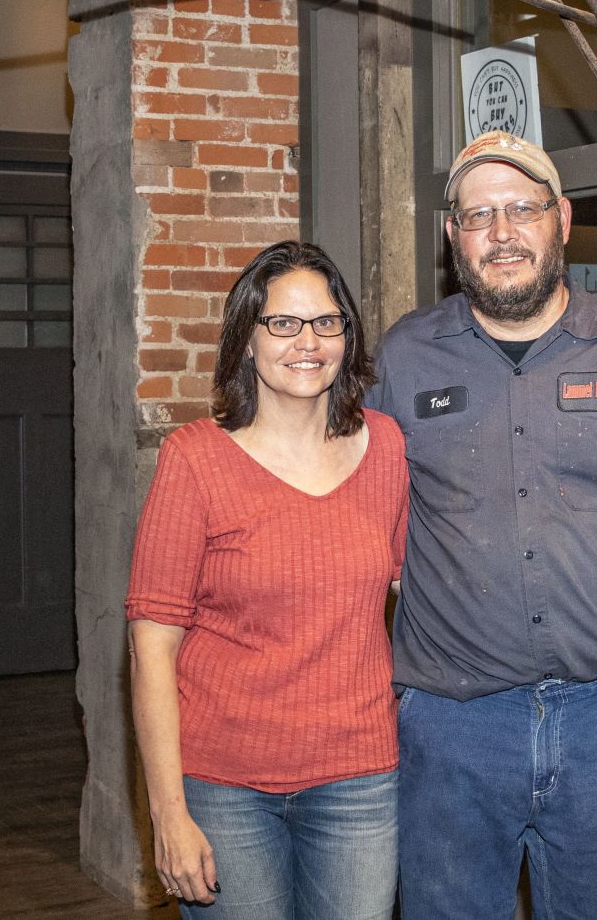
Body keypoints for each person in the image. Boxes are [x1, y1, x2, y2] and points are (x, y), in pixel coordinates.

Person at [368, 130, 597, 920]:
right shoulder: (403, 358)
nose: (501, 233)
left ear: (561, 219)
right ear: (452, 236)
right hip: (449, 728)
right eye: (478, 215)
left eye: (522, 209)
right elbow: (357, 527)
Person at [126, 241, 408, 918]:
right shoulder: (193, 460)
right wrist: (167, 814)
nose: (306, 342)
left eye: (325, 322)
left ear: (347, 335)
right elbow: (151, 648)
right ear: (246, 341)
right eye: (282, 323)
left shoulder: (388, 448)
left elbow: (417, 592)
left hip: (358, 782)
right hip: (224, 788)